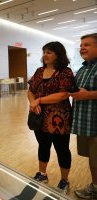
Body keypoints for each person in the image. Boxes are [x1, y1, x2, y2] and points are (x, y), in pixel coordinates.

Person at [27, 41, 74, 194]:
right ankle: (42, 174)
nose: (45, 55)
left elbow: (62, 94)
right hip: (39, 118)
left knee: (62, 150)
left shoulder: (65, 72)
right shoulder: (39, 71)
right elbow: (30, 90)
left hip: (59, 119)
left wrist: (39, 100)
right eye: (44, 52)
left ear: (58, 54)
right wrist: (33, 102)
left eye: (49, 52)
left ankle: (64, 180)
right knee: (43, 145)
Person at [70, 33, 97, 199]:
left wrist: (89, 95)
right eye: (81, 45)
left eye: (87, 44)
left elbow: (86, 94)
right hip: (85, 124)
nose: (82, 48)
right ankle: (95, 187)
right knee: (93, 159)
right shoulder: (82, 68)